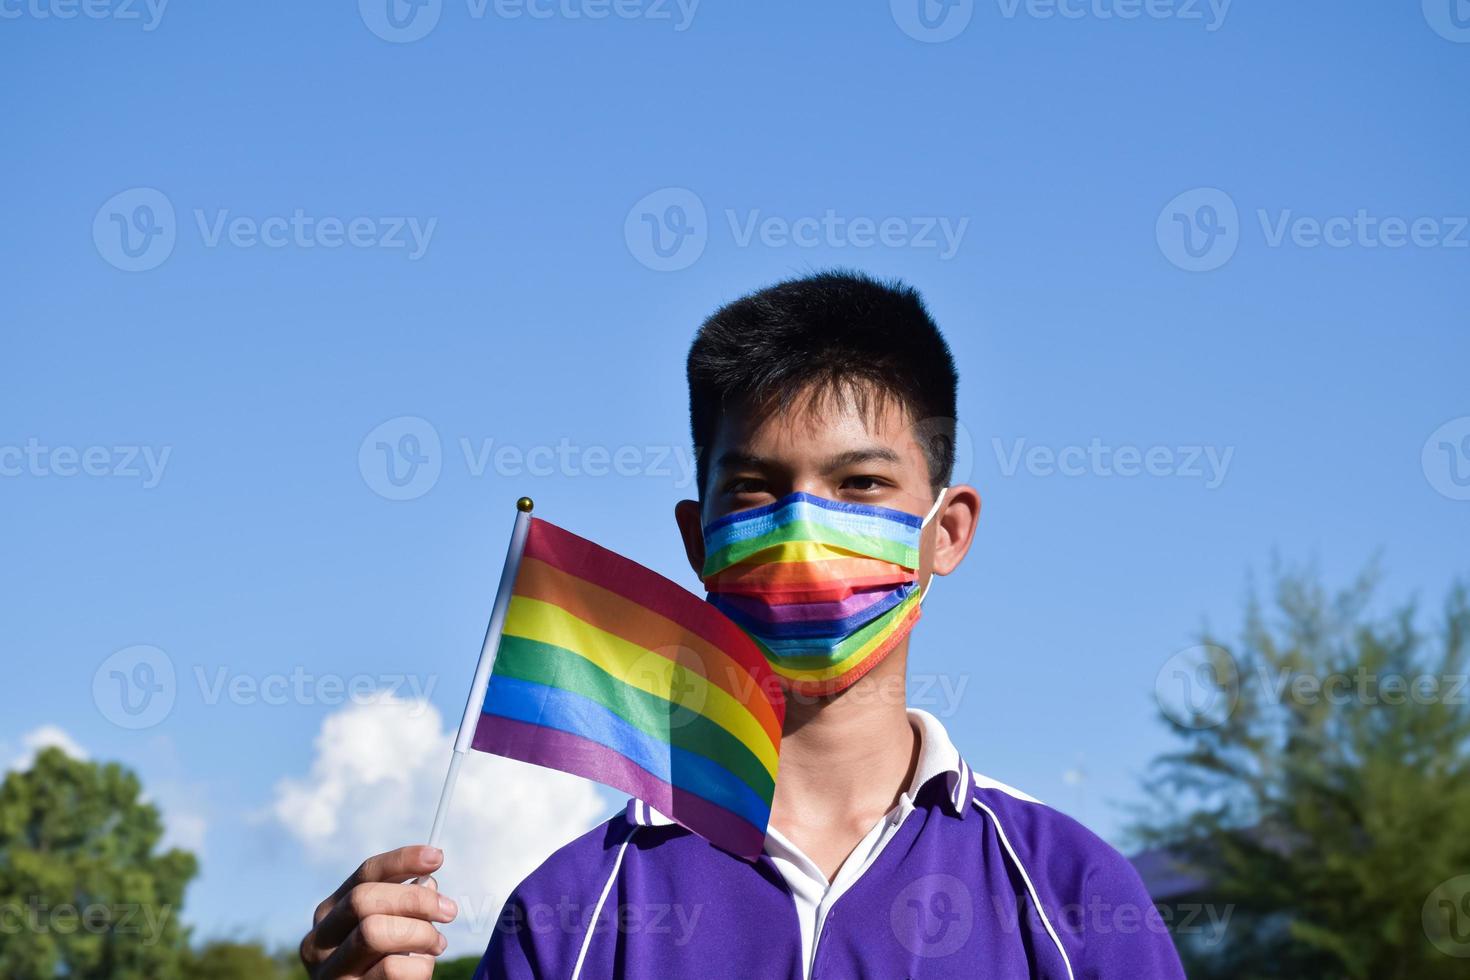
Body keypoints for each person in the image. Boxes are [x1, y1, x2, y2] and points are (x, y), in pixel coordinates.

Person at [298, 271, 1186, 979]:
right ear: (700, 539)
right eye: (757, 489)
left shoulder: (1070, 893)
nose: (802, 532)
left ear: (945, 532)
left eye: (861, 487)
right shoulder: (573, 915)